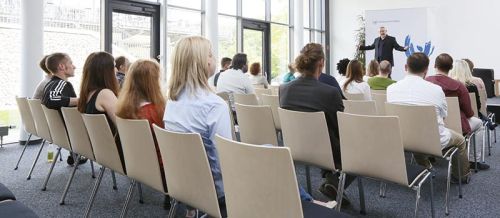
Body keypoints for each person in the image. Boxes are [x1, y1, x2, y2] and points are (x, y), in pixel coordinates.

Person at [163, 36, 231, 217]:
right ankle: (310, 205)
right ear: (201, 63)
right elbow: (224, 161)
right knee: (275, 157)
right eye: (210, 54)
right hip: (216, 192)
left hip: (182, 185)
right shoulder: (215, 105)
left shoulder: (172, 101)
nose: (214, 58)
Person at [279, 43, 353, 205]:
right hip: (327, 154)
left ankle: (330, 179)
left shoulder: (284, 89)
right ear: (321, 63)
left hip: (294, 148)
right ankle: (333, 181)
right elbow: (340, 128)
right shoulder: (330, 92)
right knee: (360, 145)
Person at [387, 52, 471, 182]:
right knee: (460, 141)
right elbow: (444, 117)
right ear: (426, 70)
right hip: (432, 139)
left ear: (405, 67)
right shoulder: (436, 90)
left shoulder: (391, 88)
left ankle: (425, 168)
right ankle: (462, 176)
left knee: (414, 132)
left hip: (402, 138)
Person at [115, 59, 171, 208]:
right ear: (153, 82)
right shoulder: (156, 111)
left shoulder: (123, 108)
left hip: (136, 163)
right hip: (162, 168)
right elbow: (166, 142)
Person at [425, 53, 486, 170]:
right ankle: (474, 161)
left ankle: (430, 154)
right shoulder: (459, 86)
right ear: (450, 67)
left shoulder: (426, 81)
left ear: (434, 65)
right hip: (457, 124)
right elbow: (469, 113)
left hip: (431, 124)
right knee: (478, 124)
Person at [77, 52, 125, 171]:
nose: (116, 69)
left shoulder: (88, 94)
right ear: (105, 71)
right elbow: (124, 126)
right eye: (113, 66)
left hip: (100, 149)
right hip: (117, 153)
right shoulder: (105, 94)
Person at [41, 53, 83, 166]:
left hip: (63, 134)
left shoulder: (51, 83)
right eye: (71, 63)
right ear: (62, 66)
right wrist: (80, 100)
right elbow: (51, 98)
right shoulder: (60, 83)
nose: (74, 66)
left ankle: (76, 154)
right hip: (72, 134)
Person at [449, 59, 490, 170]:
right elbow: (475, 108)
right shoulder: (471, 86)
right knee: (479, 123)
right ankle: (473, 160)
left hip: (445, 123)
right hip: (464, 122)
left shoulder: (444, 86)